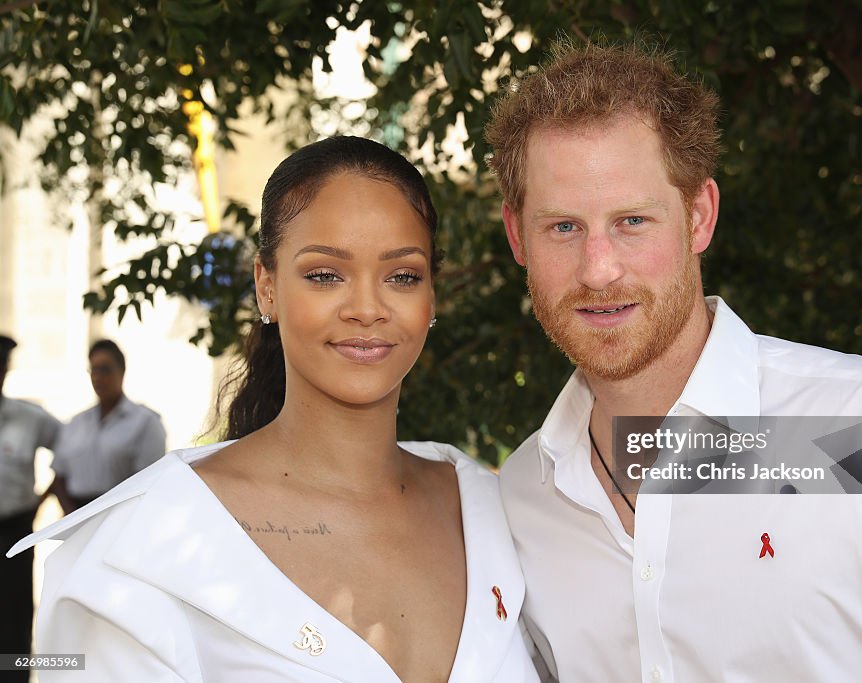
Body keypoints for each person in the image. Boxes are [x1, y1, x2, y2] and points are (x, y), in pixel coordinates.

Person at [486, 40, 862, 682]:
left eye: (632, 220)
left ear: (699, 217)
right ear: (518, 236)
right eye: (563, 228)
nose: (599, 270)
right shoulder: (519, 498)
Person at [8, 136, 539, 682]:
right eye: (324, 274)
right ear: (266, 287)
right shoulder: (139, 546)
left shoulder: (493, 513)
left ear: (432, 296)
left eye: (402, 275)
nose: (366, 308)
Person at [0, 335, 62, 681]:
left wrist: (47, 497)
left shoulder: (28, 417)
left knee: (15, 616)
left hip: (14, 532)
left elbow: (70, 452)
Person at [46, 339, 166, 512]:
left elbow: (150, 482)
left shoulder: (145, 422)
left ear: (122, 372)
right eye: (93, 370)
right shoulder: (76, 423)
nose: (97, 378)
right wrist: (71, 514)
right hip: (76, 513)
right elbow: (59, 476)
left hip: (121, 515)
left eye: (104, 370)